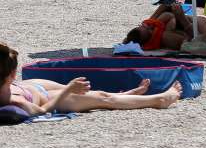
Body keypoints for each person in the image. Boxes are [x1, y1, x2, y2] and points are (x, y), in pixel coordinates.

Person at [1, 42, 182, 116]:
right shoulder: (16, 102)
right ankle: (160, 100)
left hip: (27, 87)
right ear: (12, 75)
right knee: (103, 98)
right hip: (49, 99)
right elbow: (41, 111)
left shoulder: (9, 85)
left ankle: (126, 94)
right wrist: (67, 90)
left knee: (85, 90)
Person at [124, 0, 203, 50]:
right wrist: (182, 19)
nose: (147, 26)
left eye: (142, 26)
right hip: (200, 29)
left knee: (168, 3)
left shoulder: (150, 24)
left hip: (193, 22)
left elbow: (164, 7)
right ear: (150, 34)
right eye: (148, 28)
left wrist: (170, 0)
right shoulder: (165, 37)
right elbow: (199, 42)